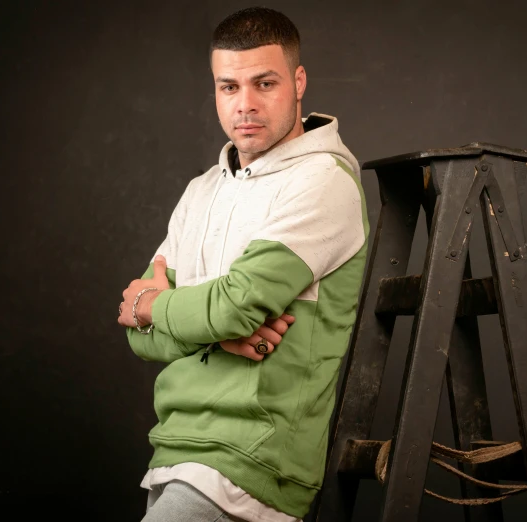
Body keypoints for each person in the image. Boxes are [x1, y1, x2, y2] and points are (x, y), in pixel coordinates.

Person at [117, 7, 369, 521]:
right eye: (228, 87)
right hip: (175, 451)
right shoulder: (201, 191)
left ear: (298, 81)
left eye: (265, 83)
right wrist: (207, 325)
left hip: (254, 462)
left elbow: (225, 307)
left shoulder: (323, 181)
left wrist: (155, 306)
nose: (245, 104)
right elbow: (137, 334)